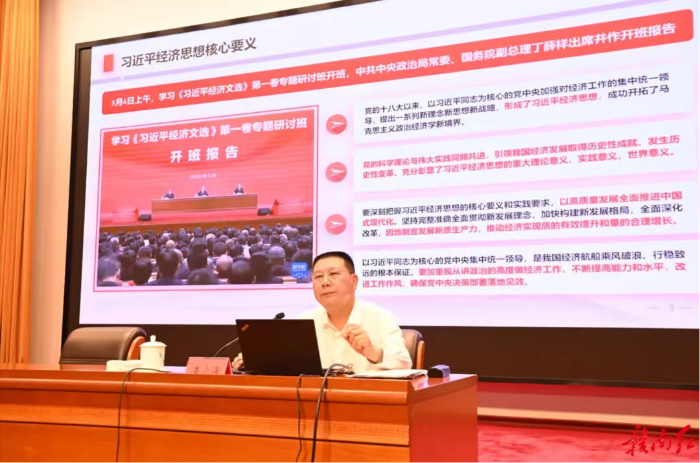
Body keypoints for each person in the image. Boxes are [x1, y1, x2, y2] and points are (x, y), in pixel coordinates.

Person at [232, 251, 411, 372]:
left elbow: (405, 364)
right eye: (318, 277)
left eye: (334, 274)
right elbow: (285, 366)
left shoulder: (380, 317)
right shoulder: (303, 322)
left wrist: (373, 352)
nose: (325, 282)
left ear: (354, 281)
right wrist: (256, 360)